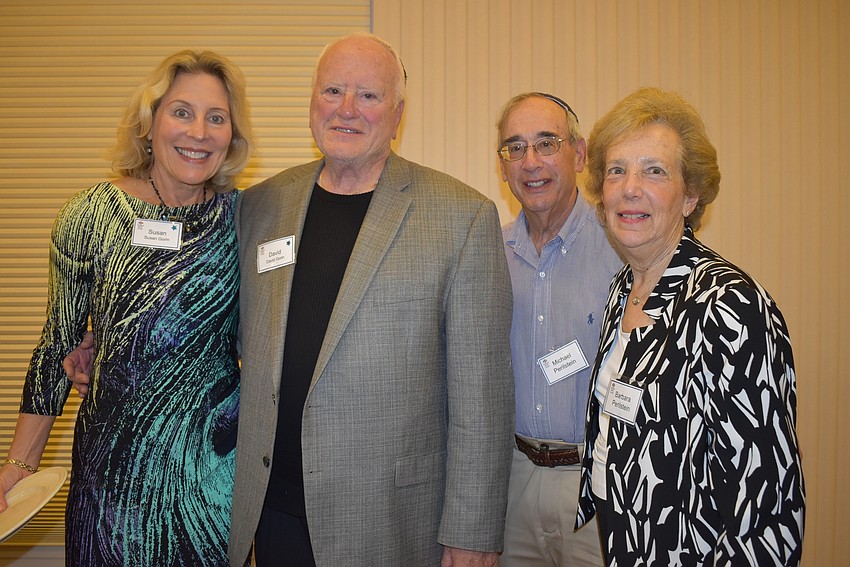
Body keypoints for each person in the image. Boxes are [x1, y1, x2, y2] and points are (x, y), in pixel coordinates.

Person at [228, 33, 514, 566]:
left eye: (368, 95)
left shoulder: (462, 217)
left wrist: (472, 532)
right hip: (273, 514)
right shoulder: (261, 206)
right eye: (332, 90)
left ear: (398, 114)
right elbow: (214, 325)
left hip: (390, 523)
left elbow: (482, 398)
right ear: (311, 101)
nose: (346, 109)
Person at [1, 50, 254, 565]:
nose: (199, 132)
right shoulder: (90, 216)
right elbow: (57, 347)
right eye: (181, 112)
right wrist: (19, 467)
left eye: (216, 117)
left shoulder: (246, 220)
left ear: (231, 136)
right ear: (149, 123)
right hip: (110, 485)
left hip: (212, 487)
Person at [574, 87, 805, 565]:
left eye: (654, 171)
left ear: (691, 195)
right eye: (616, 170)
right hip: (624, 536)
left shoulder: (731, 305)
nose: (630, 187)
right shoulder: (625, 288)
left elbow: (767, 506)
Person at [495, 92, 621, 566]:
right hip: (514, 481)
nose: (531, 162)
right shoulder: (487, 254)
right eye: (515, 147)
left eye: (547, 143)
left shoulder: (621, 246)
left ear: (580, 154)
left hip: (597, 484)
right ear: (502, 165)